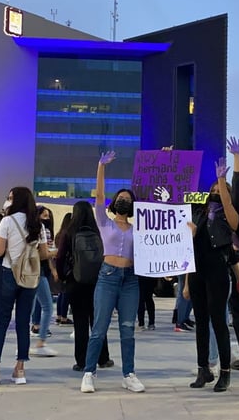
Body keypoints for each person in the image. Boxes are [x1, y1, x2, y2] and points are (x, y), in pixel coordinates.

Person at [80, 151, 144, 394]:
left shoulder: (139, 229)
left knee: (127, 328)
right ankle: (89, 372)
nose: (124, 201)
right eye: (121, 198)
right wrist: (100, 167)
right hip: (107, 277)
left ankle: (129, 373)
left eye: (128, 199)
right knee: (99, 327)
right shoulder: (103, 221)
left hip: (130, 280)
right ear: (115, 202)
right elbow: (99, 196)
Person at [184, 139, 239, 393]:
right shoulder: (198, 210)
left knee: (218, 320)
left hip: (218, 270)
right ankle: (202, 368)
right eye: (214, 188)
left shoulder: (228, 214)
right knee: (201, 321)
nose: (216, 191)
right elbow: (174, 195)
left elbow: (231, 207)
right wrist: (186, 281)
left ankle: (225, 372)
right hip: (197, 270)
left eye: (220, 188)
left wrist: (224, 181)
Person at [0, 187, 50, 387]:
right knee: (23, 322)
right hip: (30, 276)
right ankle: (20, 368)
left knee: (1, 321)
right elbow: (43, 254)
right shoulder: (37, 224)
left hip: (9, 273)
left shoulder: (6, 221)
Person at [55, 202, 114, 371]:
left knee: (80, 323)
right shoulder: (98, 232)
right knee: (98, 321)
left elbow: (60, 257)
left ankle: (81, 361)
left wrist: (63, 275)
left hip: (76, 281)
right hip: (97, 282)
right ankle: (103, 358)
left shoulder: (69, 233)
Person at [30, 205, 58, 355]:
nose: (47, 219)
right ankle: (41, 342)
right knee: (47, 306)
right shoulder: (42, 230)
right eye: (44, 215)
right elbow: (45, 253)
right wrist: (58, 251)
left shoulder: (27, 227)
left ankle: (25, 343)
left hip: (28, 271)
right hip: (38, 272)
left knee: (29, 306)